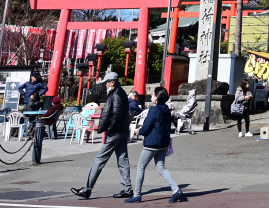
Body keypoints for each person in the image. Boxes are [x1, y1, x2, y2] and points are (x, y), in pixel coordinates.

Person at [72, 71, 133, 200]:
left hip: (115, 132)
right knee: (122, 159)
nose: (105, 85)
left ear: (112, 82)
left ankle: (87, 189)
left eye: (106, 83)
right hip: (122, 131)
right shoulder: (120, 93)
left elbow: (115, 115)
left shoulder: (116, 95)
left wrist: (109, 130)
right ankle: (127, 188)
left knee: (99, 159)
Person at [125, 86, 185, 203]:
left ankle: (137, 195)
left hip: (151, 144)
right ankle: (176, 189)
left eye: (153, 94)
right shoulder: (167, 110)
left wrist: (139, 131)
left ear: (156, 97)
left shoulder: (154, 110)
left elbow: (147, 127)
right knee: (161, 168)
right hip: (163, 143)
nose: (151, 96)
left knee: (141, 167)